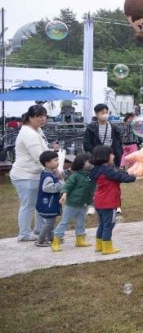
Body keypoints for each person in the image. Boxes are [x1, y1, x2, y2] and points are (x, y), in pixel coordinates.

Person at [10, 105, 58, 242]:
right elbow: (40, 157)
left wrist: (53, 153)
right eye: (39, 116)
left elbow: (44, 151)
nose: (43, 119)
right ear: (30, 118)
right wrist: (55, 168)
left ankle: (39, 229)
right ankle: (24, 233)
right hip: (25, 175)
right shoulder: (28, 133)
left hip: (36, 174)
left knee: (38, 204)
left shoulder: (37, 129)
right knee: (28, 205)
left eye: (44, 116)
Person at [90, 145, 138, 255]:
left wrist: (123, 172)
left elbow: (117, 175)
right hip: (108, 203)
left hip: (99, 202)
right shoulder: (108, 170)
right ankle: (107, 247)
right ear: (105, 156)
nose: (114, 155)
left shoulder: (96, 170)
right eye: (111, 154)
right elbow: (123, 178)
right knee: (108, 225)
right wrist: (135, 176)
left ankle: (99, 245)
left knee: (102, 224)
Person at [52, 152, 95, 251]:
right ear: (82, 163)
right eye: (89, 162)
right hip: (71, 204)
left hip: (83, 204)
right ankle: (56, 241)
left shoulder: (91, 175)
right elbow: (67, 186)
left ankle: (80, 240)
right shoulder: (75, 176)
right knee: (65, 222)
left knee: (81, 222)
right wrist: (64, 195)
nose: (91, 164)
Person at [35, 150, 64, 247]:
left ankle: (51, 238)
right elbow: (47, 188)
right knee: (49, 224)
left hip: (49, 204)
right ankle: (40, 240)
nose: (58, 162)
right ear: (47, 164)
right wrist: (60, 184)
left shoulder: (48, 172)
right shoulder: (48, 176)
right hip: (48, 204)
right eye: (55, 160)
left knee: (51, 222)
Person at [83, 104, 123, 172]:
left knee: (111, 175)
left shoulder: (114, 127)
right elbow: (86, 144)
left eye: (106, 112)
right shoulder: (91, 127)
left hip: (110, 157)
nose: (105, 115)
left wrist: (118, 153)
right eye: (102, 113)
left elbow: (118, 143)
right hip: (97, 157)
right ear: (96, 114)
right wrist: (97, 152)